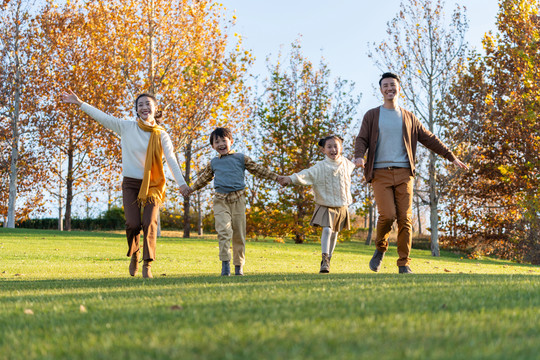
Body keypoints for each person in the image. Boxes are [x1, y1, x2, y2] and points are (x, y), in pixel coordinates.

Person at [61, 90, 190, 279]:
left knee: (149, 222)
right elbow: (103, 117)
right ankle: (135, 253)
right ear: (136, 110)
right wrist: (80, 103)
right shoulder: (127, 127)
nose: (144, 107)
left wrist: (182, 184)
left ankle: (147, 264)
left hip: (153, 185)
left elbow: (171, 159)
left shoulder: (162, 134)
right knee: (132, 224)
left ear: (155, 108)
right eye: (140, 105)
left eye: (148, 104)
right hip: (131, 183)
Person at [354, 72, 468, 274]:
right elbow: (362, 139)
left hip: (404, 173)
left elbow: (429, 138)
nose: (390, 88)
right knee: (387, 216)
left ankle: (404, 263)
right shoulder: (372, 115)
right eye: (386, 85)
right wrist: (359, 156)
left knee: (405, 219)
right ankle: (380, 247)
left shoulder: (409, 117)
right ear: (381, 90)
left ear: (399, 88)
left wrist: (451, 156)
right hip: (380, 173)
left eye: (393, 85)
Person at [186, 127, 281, 276]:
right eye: (217, 142)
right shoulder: (213, 163)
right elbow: (204, 179)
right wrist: (190, 189)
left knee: (238, 234)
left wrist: (277, 178)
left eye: (224, 140)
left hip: (238, 199)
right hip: (220, 200)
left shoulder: (241, 158)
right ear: (213, 146)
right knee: (224, 231)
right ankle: (225, 265)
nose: (221, 144)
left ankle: (238, 266)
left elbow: (258, 170)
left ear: (231, 141)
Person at [279, 135, 355, 273]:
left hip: (341, 204)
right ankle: (324, 259)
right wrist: (290, 179)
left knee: (335, 233)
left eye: (336, 146)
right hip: (325, 204)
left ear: (341, 148)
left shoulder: (347, 164)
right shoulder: (320, 167)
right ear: (323, 150)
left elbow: (359, 163)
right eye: (329, 147)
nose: (333, 149)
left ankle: (329, 259)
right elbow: (305, 174)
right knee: (327, 230)